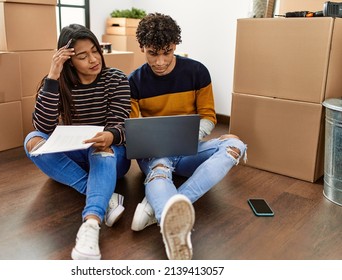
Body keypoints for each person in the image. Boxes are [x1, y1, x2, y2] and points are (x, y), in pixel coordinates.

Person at [128, 13, 247, 260]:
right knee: (160, 164)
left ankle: (157, 205)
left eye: (167, 52)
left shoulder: (197, 72)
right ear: (142, 48)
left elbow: (208, 116)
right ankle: (173, 229)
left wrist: (190, 137)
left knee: (235, 144)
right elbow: (133, 126)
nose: (160, 61)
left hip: (189, 148)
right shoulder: (134, 81)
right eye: (152, 53)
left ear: (175, 47)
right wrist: (157, 145)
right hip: (154, 154)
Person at [24, 24, 131, 260]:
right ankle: (105, 196)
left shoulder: (116, 79)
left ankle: (91, 224)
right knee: (32, 140)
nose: (93, 59)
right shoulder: (57, 83)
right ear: (69, 60)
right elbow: (42, 127)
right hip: (75, 152)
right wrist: (53, 75)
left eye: (95, 51)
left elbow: (122, 123)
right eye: (83, 56)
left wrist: (110, 136)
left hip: (111, 155)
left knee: (100, 147)